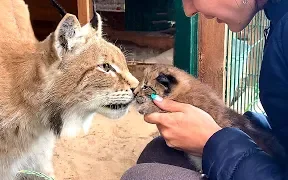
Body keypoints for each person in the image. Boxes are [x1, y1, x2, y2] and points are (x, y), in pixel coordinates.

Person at [121, 0, 288, 179]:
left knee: (142, 176)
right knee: (158, 151)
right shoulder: (279, 16)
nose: (188, 11)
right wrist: (255, 128)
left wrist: (216, 142)